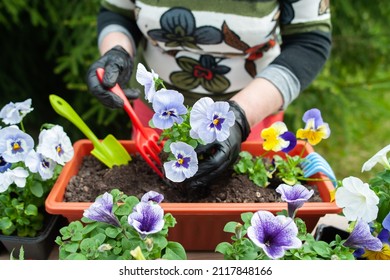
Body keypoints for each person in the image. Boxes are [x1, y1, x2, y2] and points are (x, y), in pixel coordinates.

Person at [86, 0, 332, 189]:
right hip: (158, 113)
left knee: (246, 188)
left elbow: (309, 40)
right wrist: (116, 51)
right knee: (151, 186)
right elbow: (118, 13)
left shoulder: (245, 117)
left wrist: (241, 118)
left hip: (252, 111)